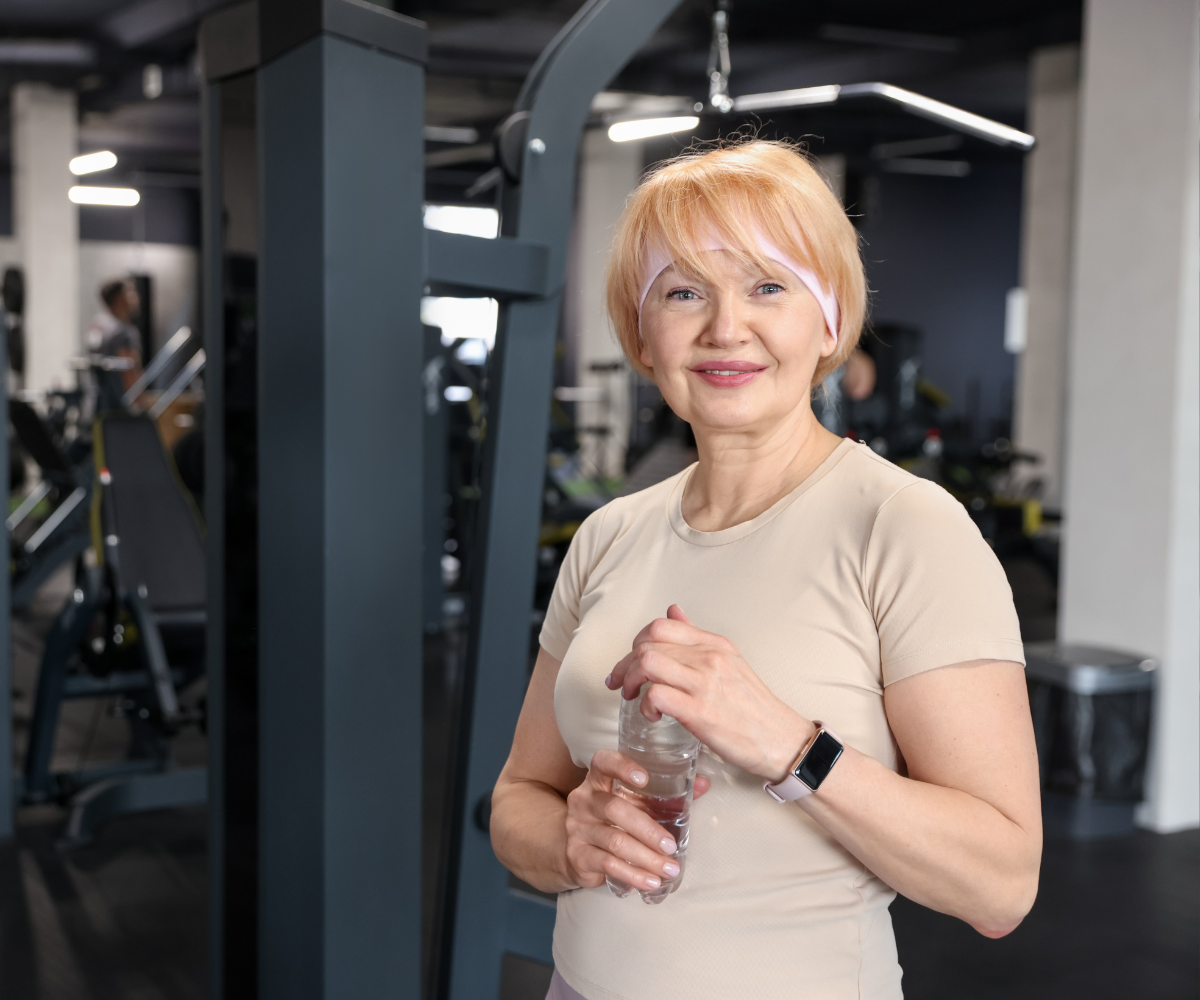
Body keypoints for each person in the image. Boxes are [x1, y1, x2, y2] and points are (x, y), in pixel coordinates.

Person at [490, 139, 1040, 1000]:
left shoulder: (905, 527)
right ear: (644, 331)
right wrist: (568, 838)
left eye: (767, 286)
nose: (724, 326)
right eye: (683, 292)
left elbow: (1001, 887)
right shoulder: (609, 535)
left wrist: (788, 746)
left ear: (828, 321)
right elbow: (519, 797)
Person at [84, 278, 144, 393]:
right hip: (119, 404)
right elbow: (130, 374)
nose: (137, 298)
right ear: (120, 298)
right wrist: (142, 403)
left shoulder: (98, 324)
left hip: (97, 400)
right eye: (131, 293)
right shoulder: (122, 332)